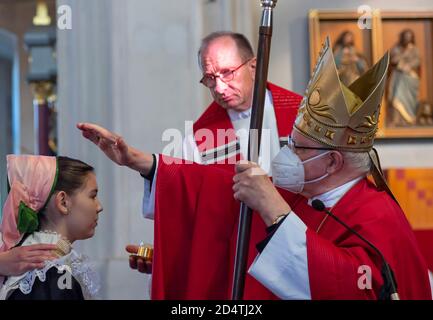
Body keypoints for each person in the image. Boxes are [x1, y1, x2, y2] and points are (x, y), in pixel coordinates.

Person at [78, 37, 431, 300]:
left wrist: (274, 209)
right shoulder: (313, 192)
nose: (286, 155)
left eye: (295, 147)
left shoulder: (374, 215)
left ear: (333, 161)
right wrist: (144, 163)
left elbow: (354, 287)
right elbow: (220, 196)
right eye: (209, 77)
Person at [80, 31, 302, 275]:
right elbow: (188, 208)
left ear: (254, 66)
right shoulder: (197, 139)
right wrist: (168, 257)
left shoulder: (301, 118)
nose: (219, 87)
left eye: (227, 72)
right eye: (209, 78)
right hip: (235, 268)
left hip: (296, 256)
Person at [0, 155, 103, 300]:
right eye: (93, 196)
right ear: (63, 202)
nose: (99, 207)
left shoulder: (45, 268)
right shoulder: (49, 272)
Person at [388, 29, 421, 126]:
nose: (407, 39)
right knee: (396, 97)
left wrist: (409, 66)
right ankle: (396, 120)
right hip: (398, 76)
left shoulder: (414, 49)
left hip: (410, 77)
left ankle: (410, 119)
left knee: (409, 99)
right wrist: (403, 60)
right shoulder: (396, 48)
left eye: (409, 37)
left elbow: (417, 61)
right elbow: (393, 59)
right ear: (402, 38)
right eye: (406, 36)